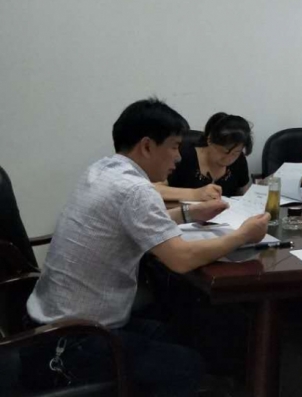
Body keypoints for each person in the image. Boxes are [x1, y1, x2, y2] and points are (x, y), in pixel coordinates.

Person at [24, 98, 269, 396]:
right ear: (147, 146)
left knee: (185, 331)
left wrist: (190, 213)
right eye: (175, 146)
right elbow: (181, 259)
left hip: (47, 325)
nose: (178, 157)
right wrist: (242, 235)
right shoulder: (135, 191)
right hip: (70, 344)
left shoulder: (103, 170)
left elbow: (133, 222)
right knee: (187, 365)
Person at [156, 112, 253, 200]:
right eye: (224, 151)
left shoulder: (239, 160)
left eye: (236, 153)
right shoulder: (184, 156)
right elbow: (154, 189)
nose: (229, 159)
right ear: (210, 140)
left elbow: (243, 195)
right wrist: (194, 194)